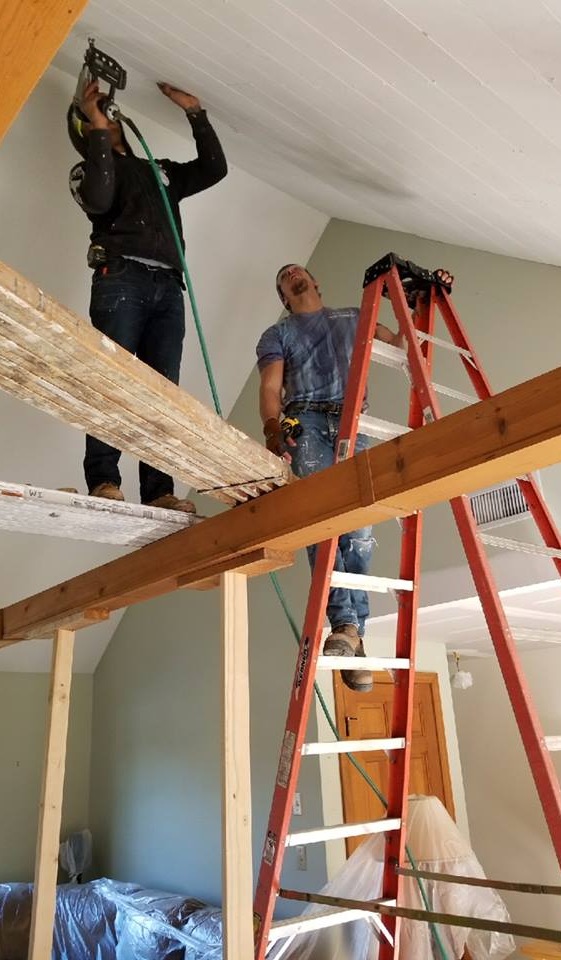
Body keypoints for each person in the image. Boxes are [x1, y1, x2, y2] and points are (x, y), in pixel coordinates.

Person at [256, 263, 452, 693]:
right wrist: (273, 429)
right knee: (322, 522)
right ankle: (347, 624)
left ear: (316, 280)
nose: (293, 274)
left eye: (299, 270)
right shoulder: (279, 334)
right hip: (306, 422)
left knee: (360, 530)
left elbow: (401, 346)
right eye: (285, 276)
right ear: (284, 296)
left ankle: (350, 634)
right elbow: (271, 389)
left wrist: (421, 303)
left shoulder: (354, 317)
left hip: (353, 423)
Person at [67, 79, 228, 511]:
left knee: (162, 394)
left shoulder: (160, 172)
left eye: (108, 113)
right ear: (86, 131)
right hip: (122, 278)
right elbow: (99, 197)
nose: (107, 116)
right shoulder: (87, 173)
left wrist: (195, 112)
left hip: (168, 287)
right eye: (96, 117)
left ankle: (159, 492)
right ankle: (103, 479)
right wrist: (97, 129)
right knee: (113, 380)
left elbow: (213, 169)